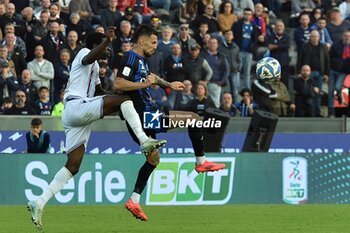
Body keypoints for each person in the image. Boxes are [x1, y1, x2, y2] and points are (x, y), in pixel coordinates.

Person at [27, 27, 167, 231]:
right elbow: (90, 57)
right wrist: (108, 40)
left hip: (77, 115)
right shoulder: (84, 54)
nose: (108, 52)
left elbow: (100, 92)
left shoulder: (94, 70)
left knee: (73, 166)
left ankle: (38, 202)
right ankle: (144, 140)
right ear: (95, 46)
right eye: (105, 48)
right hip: (77, 106)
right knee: (125, 100)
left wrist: (116, 99)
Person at [114, 25, 226, 221]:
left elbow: (151, 78)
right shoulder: (130, 57)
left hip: (143, 117)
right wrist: (144, 85)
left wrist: (168, 85)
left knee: (153, 160)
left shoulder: (140, 59)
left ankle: (134, 200)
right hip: (144, 115)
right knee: (193, 118)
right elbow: (118, 83)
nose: (156, 46)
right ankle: (201, 162)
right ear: (142, 41)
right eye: (154, 42)